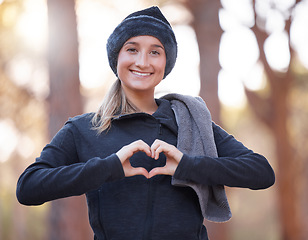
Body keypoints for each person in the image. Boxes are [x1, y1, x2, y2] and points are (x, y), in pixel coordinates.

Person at [16, 6, 275, 240]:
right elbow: (28, 187)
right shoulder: (84, 129)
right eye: (132, 49)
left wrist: (187, 165)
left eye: (155, 52)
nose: (143, 62)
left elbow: (261, 172)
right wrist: (110, 166)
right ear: (117, 57)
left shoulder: (191, 121)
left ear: (166, 62)